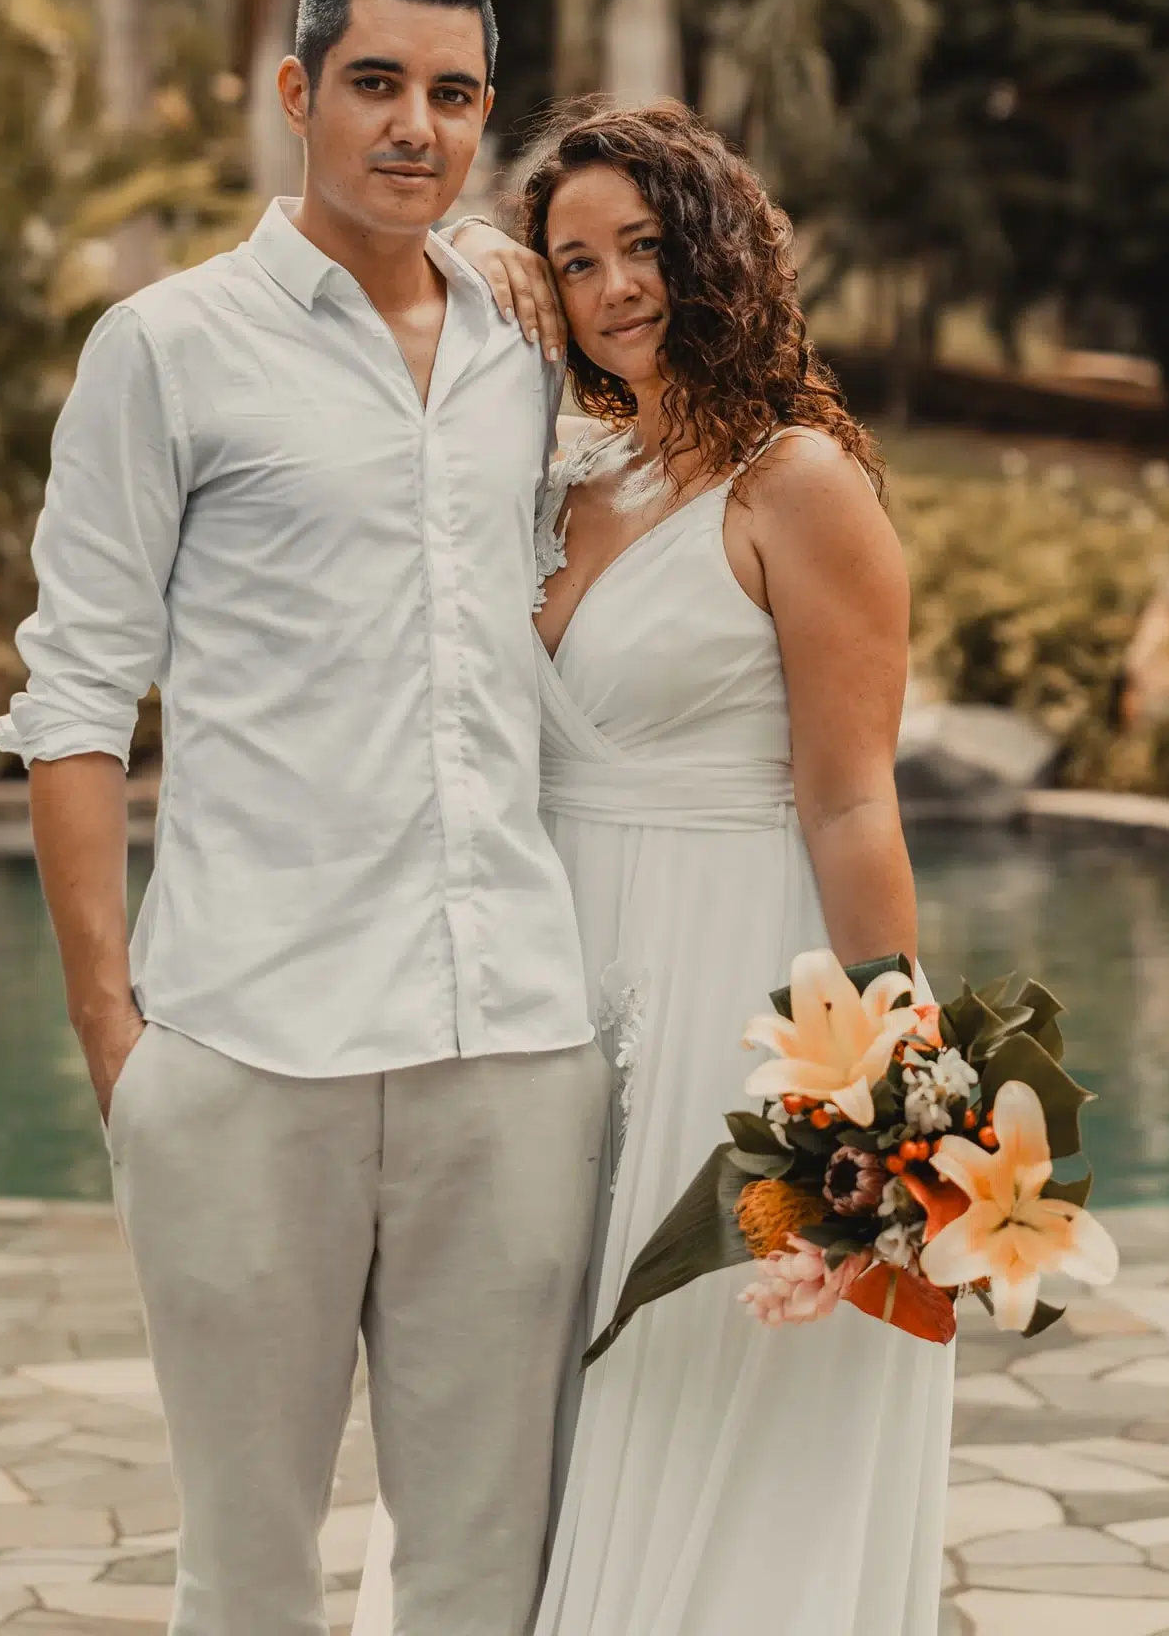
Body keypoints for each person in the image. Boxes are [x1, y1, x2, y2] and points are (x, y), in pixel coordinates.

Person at [0, 0, 608, 1636]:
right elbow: (74, 694)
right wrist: (116, 1039)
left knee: (486, 1574)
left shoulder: (525, 344)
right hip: (247, 1051)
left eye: (454, 96)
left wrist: (494, 256)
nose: (415, 126)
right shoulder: (165, 348)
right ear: (295, 92)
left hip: (509, 1047)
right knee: (250, 1573)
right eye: (376, 84)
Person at [463, 99, 954, 1636]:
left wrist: (891, 1085)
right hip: (556, 981)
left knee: (697, 1365)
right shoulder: (565, 482)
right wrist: (478, 256)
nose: (614, 286)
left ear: (714, 250)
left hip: (733, 981)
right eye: (574, 261)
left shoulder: (797, 485)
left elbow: (850, 802)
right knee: (548, 1376)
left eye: (642, 245)